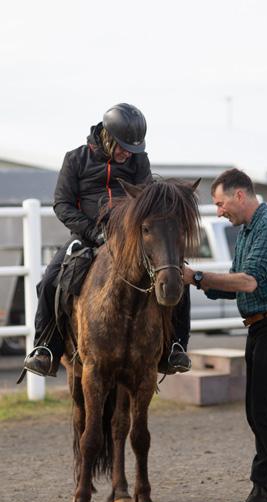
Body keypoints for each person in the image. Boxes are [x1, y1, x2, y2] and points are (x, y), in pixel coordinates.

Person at [24, 103, 191, 378]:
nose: (128, 154)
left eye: (134, 149)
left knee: (175, 272)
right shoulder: (75, 159)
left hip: (130, 240)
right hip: (87, 236)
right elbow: (62, 204)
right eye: (124, 147)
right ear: (107, 137)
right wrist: (93, 232)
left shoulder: (139, 160)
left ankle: (175, 346)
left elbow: (146, 200)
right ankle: (45, 348)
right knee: (49, 280)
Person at [183, 168, 267, 502]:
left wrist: (197, 277)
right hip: (265, 326)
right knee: (258, 414)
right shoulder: (251, 230)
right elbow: (235, 284)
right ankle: (261, 495)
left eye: (221, 203)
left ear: (240, 195)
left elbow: (248, 281)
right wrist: (194, 278)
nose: (219, 211)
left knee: (265, 414)